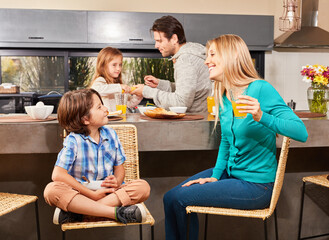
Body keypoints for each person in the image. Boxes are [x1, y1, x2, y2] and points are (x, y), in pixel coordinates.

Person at [163, 34, 308, 240]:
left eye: (212, 54)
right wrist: (216, 175)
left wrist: (261, 116)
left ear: (230, 57)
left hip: (257, 185)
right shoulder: (224, 95)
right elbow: (225, 142)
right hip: (231, 175)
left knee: (180, 199)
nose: (206, 61)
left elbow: (301, 132)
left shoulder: (260, 89)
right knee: (170, 198)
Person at [43, 88, 150, 225]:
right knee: (51, 190)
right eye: (99, 107)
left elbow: (119, 168)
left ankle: (81, 213)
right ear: (85, 119)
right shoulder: (73, 141)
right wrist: (91, 194)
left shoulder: (111, 134)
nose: (106, 109)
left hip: (108, 194)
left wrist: (116, 181)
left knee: (143, 187)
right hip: (80, 195)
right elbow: (57, 175)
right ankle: (114, 213)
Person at [131, 15, 212, 113]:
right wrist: (160, 84)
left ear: (174, 39)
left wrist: (147, 91)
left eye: (159, 41)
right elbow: (190, 90)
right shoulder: (191, 53)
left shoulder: (185, 60)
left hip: (197, 121)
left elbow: (181, 103)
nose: (156, 45)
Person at [89, 47, 142, 112]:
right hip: (109, 120)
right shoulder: (101, 80)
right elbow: (95, 90)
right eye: (114, 65)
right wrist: (119, 87)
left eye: (120, 65)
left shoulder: (117, 83)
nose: (118, 68)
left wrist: (138, 96)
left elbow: (129, 104)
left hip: (119, 119)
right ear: (103, 66)